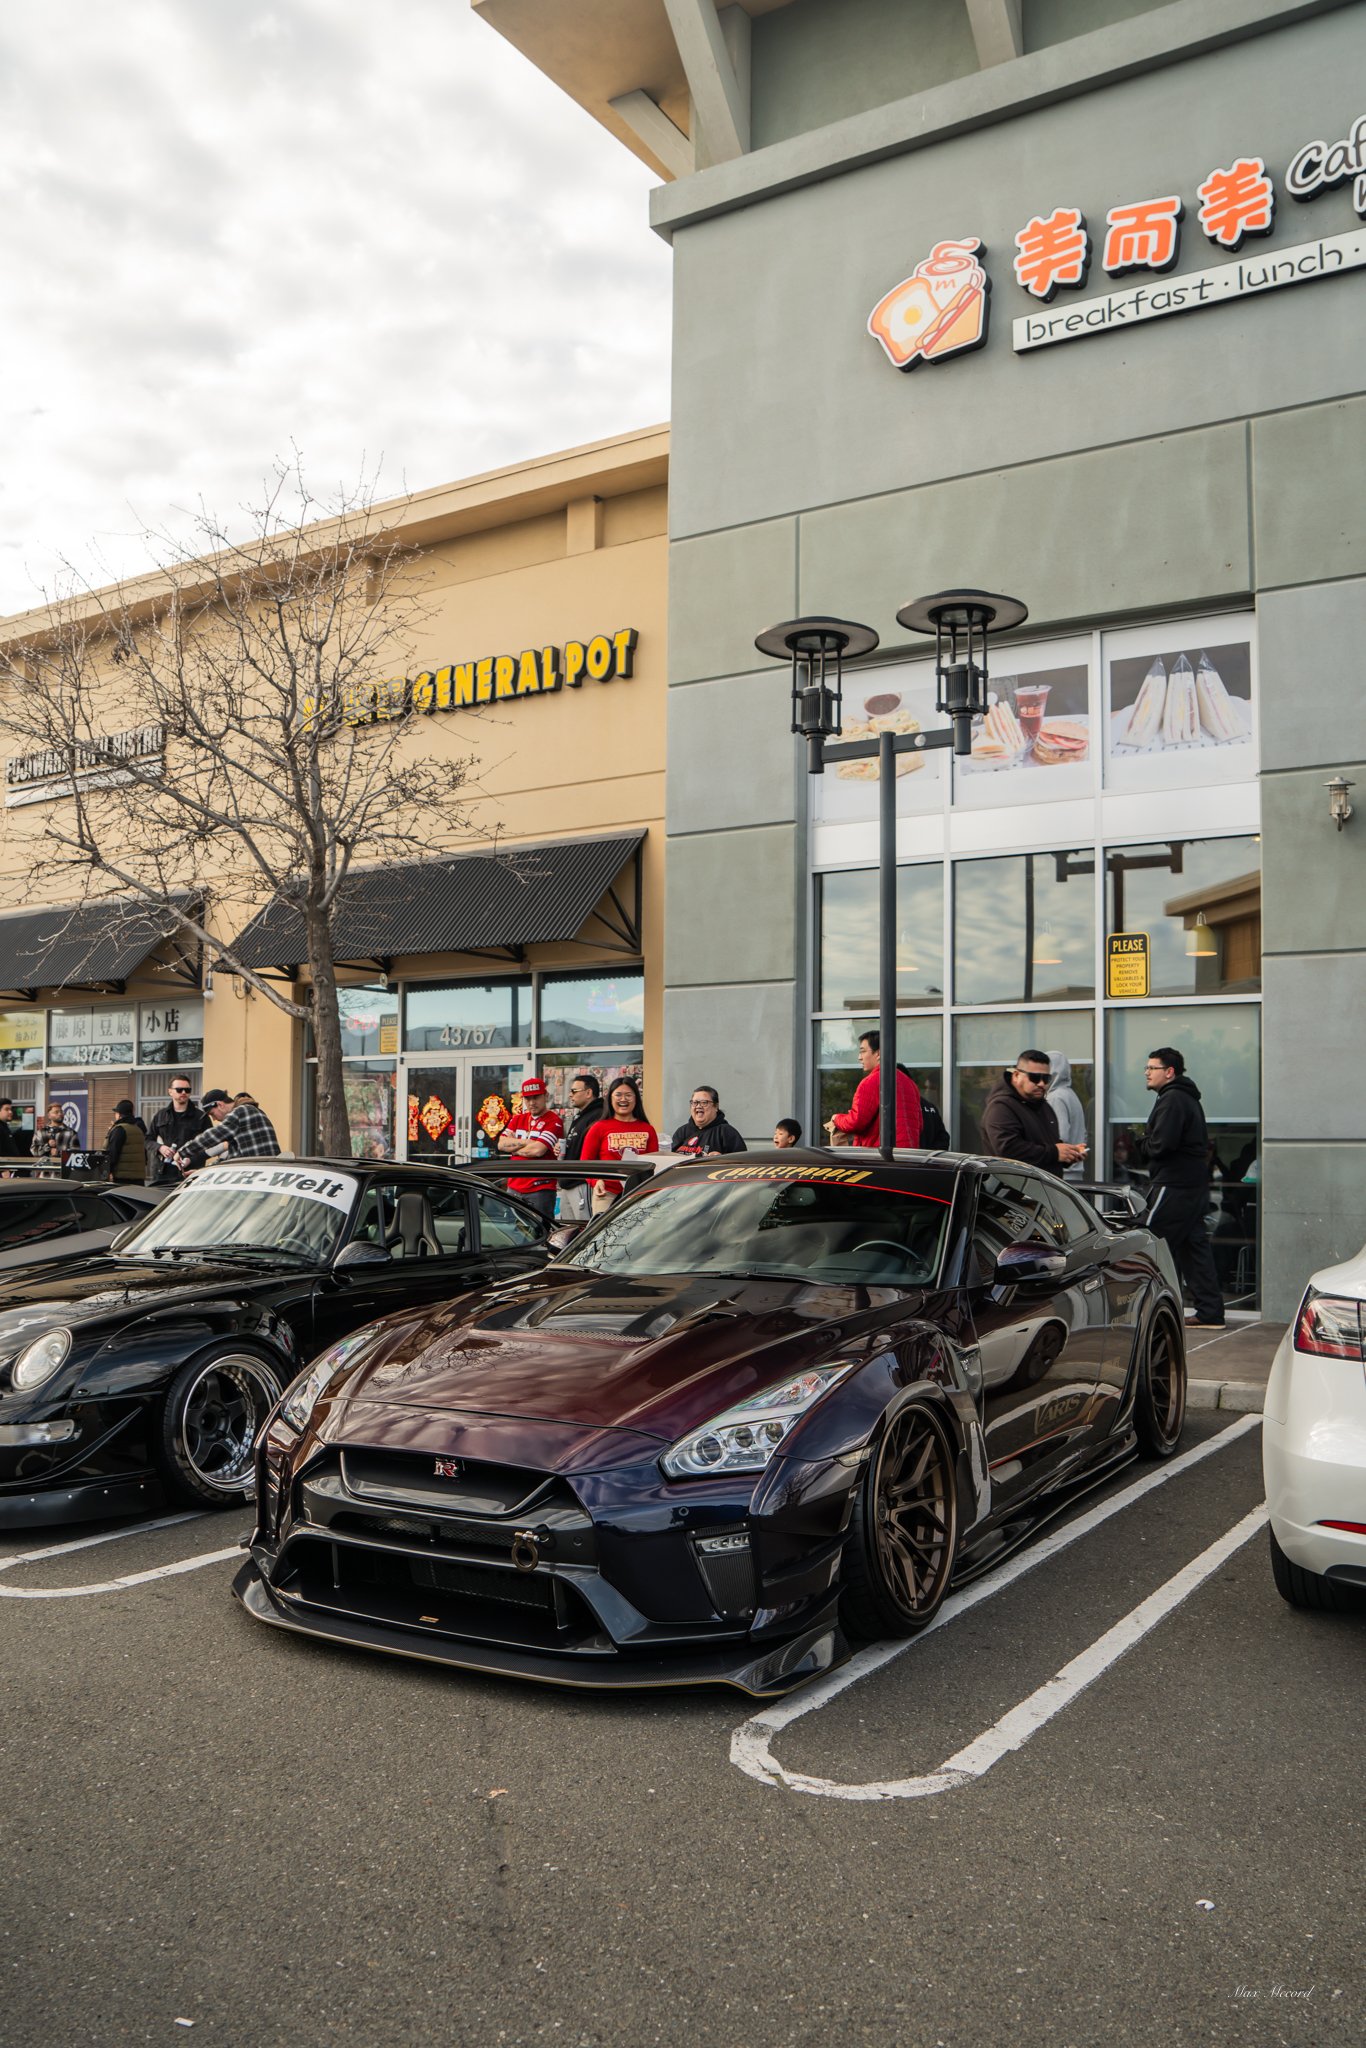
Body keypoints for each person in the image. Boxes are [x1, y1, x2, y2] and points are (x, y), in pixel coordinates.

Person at [1143, 1046, 1224, 1328]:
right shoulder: (1184, 1098)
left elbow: (1161, 1144)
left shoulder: (1173, 1099)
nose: (1147, 1072)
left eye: (1152, 1068)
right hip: (1191, 1184)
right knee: (1194, 1248)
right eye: (1147, 1067)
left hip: (1174, 1184)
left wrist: (1142, 1142)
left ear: (1169, 1072)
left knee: (1147, 1242)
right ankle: (1210, 1312)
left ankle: (1139, 1308)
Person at [980, 1051, 1087, 1173]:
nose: (1041, 1084)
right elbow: (1008, 1150)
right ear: (1016, 1075)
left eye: (1046, 1078)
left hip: (1045, 1187)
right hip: (1014, 1188)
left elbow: (1047, 1146)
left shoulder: (1042, 1104)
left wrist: (1068, 1154)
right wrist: (1055, 1152)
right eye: (1034, 1078)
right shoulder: (1000, 1107)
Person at [825, 1031, 922, 1149]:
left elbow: (856, 1122)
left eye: (863, 1051)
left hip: (879, 1158)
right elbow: (920, 1125)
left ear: (879, 1053)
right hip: (908, 1155)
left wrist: (836, 1119)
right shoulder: (910, 1083)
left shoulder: (871, 1081)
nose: (859, 1057)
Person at [580, 1077, 659, 1214]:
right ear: (610, 1098)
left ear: (636, 1098)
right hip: (606, 1193)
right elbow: (585, 1162)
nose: (623, 1099)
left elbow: (654, 1165)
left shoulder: (648, 1129)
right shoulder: (598, 1127)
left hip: (638, 1194)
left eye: (628, 1095)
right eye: (618, 1095)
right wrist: (596, 1181)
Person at [497, 1077, 564, 1221]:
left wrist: (514, 1147)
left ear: (545, 1096)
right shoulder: (518, 1119)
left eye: (536, 1097)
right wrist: (527, 1142)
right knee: (511, 1233)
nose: (532, 1102)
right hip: (514, 1187)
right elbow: (501, 1144)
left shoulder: (554, 1120)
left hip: (540, 1189)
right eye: (527, 1099)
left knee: (540, 1233)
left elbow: (537, 1150)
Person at [177, 1088, 281, 1170]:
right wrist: (202, 1172)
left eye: (212, 1114)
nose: (213, 1119)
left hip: (260, 1175)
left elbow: (213, 1136)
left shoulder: (242, 1111)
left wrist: (182, 1152)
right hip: (261, 1173)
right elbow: (232, 1158)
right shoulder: (244, 1117)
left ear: (220, 1105)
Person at [148, 1076, 211, 1185]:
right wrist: (160, 1148)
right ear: (170, 1092)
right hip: (162, 1173)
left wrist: (192, 1159)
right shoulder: (160, 1115)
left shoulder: (201, 1117)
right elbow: (147, 1140)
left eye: (187, 1090)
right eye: (179, 1089)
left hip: (190, 1173)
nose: (183, 1092)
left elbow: (210, 1144)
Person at [559, 1072, 605, 1221]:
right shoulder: (581, 1116)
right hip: (568, 1182)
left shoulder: (598, 1115)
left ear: (588, 1093)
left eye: (574, 1091)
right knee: (568, 1231)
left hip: (581, 1183)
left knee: (583, 1229)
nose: (570, 1095)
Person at [671, 1085, 747, 1158]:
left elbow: (742, 1163)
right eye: (694, 1103)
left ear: (716, 1107)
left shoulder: (726, 1132)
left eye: (704, 1102)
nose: (698, 1106)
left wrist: (722, 1160)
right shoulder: (681, 1132)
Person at [1046, 1051, 1088, 1180]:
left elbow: (1060, 1136)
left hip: (1062, 1175)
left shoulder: (1055, 1098)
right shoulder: (1070, 1094)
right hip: (1074, 1172)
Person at [104, 1100, 148, 1183]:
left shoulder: (119, 1129)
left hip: (122, 1179)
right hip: (139, 1179)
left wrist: (107, 1172)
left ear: (119, 1115)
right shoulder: (138, 1129)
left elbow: (112, 1154)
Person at [33, 1103, 71, 1175]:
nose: (60, 1114)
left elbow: (75, 1153)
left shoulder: (71, 1133)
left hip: (63, 1174)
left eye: (61, 1112)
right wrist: (47, 1146)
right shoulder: (40, 1132)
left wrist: (59, 1153)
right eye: (56, 1112)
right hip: (44, 1175)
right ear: (49, 1115)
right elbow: (33, 1151)